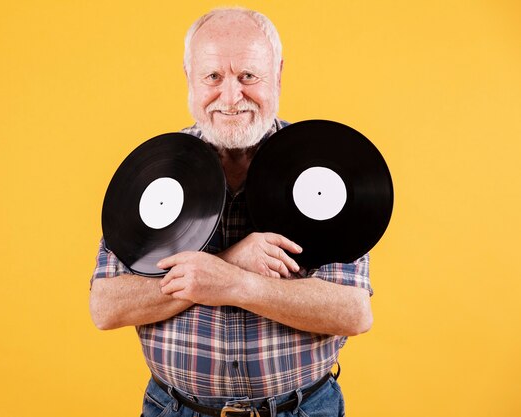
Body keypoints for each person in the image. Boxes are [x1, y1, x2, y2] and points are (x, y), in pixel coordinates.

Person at [90, 7, 373, 417]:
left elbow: (352, 311)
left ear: (277, 74)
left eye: (248, 76)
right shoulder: (154, 169)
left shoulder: (325, 164)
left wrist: (238, 286)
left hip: (302, 409)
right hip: (176, 408)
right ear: (189, 78)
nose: (230, 96)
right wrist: (225, 262)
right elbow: (106, 306)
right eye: (213, 77)